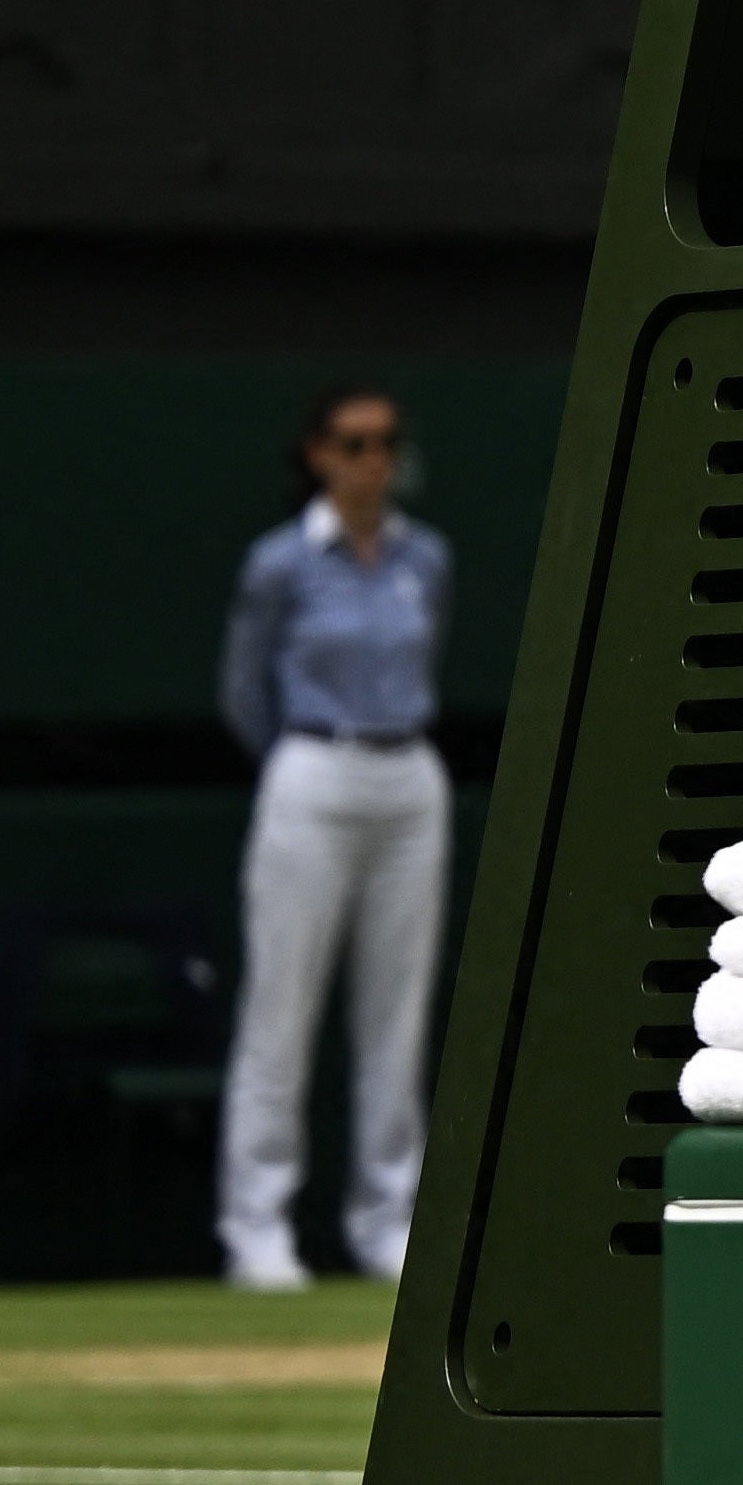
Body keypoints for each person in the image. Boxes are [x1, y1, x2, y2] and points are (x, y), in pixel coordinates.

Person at [216, 388, 455, 1292]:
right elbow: (244, 687)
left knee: (397, 1015)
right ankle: (257, 1227)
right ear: (318, 453)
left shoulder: (426, 557)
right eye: (355, 443)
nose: (373, 459)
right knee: (280, 1008)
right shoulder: (279, 562)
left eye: (387, 441)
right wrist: (299, 759)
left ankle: (389, 1221)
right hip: (312, 769)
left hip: (409, 776)